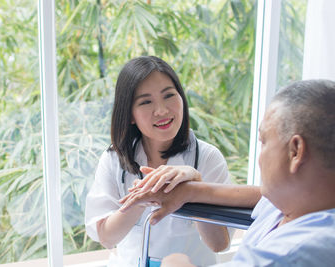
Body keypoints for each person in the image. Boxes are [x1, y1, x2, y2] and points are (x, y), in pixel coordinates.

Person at [120, 79, 335, 266]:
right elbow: (258, 195)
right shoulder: (299, 202)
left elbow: (219, 244)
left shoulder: (290, 254)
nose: (259, 158)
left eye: (264, 142)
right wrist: (191, 190)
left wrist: (174, 263)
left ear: (295, 151)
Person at [85, 56, 234, 267]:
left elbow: (219, 244)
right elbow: (107, 238)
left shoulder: (208, 158)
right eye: (146, 102)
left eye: (169, 96)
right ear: (129, 115)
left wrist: (196, 188)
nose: (162, 111)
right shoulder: (114, 160)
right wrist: (142, 199)